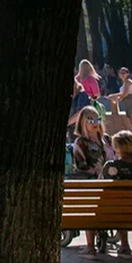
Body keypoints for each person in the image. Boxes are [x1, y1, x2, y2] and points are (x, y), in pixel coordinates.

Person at [72, 105, 115, 256]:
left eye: (98, 119)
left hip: (109, 186)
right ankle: (90, 247)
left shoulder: (107, 140)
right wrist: (97, 170)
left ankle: (124, 245)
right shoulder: (80, 143)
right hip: (93, 185)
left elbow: (115, 160)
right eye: (90, 119)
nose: (95, 122)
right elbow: (81, 166)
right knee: (89, 206)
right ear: (83, 122)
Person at [103, 130, 132, 256]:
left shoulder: (111, 167)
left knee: (118, 207)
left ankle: (125, 245)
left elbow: (101, 184)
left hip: (116, 211)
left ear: (116, 148)